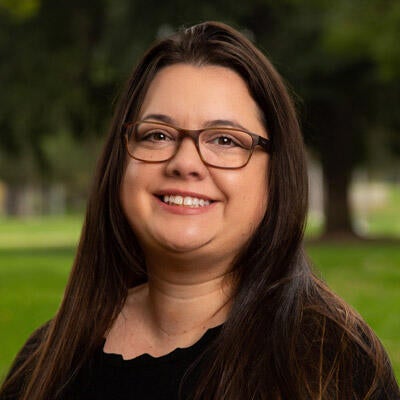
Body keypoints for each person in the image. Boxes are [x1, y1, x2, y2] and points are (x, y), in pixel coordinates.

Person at [0, 21, 399, 400]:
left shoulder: (334, 362)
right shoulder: (45, 360)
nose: (185, 162)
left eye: (225, 139)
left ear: (276, 175)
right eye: (157, 135)